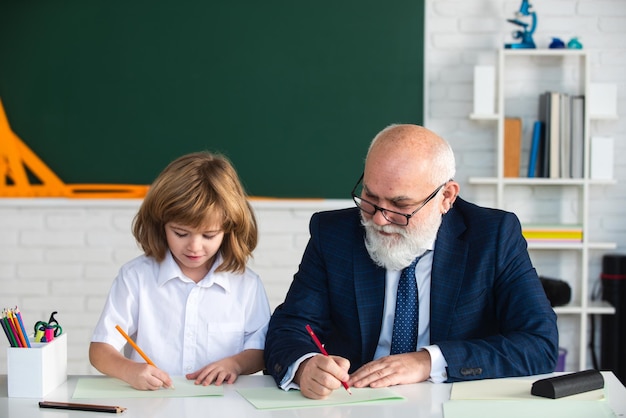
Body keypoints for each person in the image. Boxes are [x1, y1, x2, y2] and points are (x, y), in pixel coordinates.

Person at [264, 124, 558, 399]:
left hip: (451, 403)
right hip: (356, 403)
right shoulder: (333, 235)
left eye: (401, 205)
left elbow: (538, 344)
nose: (379, 218)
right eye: (370, 196)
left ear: (446, 197)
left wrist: (428, 361)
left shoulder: (493, 236)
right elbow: (289, 328)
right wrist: (305, 366)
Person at [90, 151, 270, 390]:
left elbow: (261, 350)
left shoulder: (246, 284)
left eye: (209, 235)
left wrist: (235, 364)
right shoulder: (136, 277)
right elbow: (100, 350)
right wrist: (130, 371)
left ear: (229, 230)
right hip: (152, 406)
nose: (194, 247)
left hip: (224, 406)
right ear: (160, 225)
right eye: (181, 233)